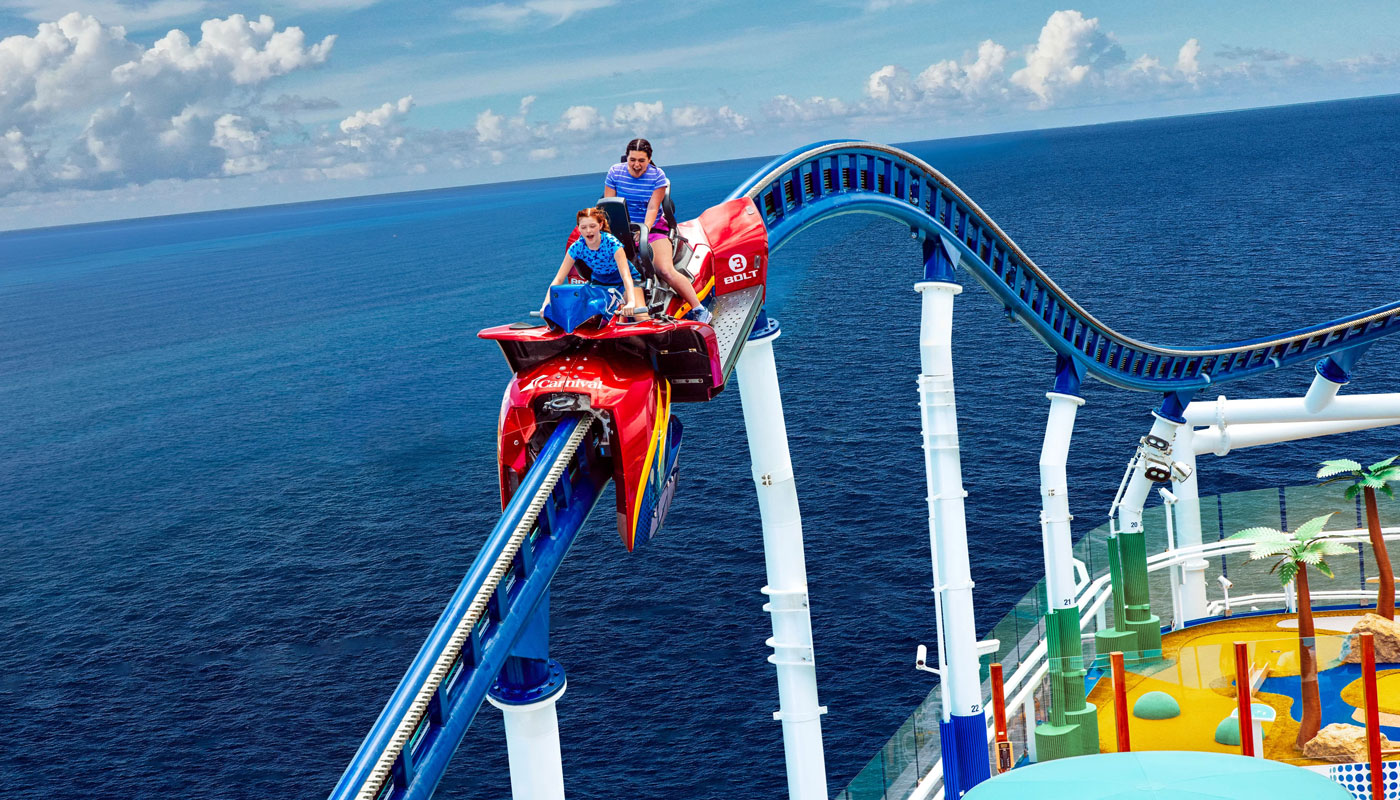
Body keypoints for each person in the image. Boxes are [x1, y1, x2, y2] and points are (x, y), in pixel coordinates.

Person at [603, 138, 711, 324]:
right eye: (632, 160)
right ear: (626, 158)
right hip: (622, 227)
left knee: (664, 269)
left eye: (641, 161)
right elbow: (608, 205)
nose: (636, 165)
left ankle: (699, 309)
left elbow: (653, 208)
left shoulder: (657, 176)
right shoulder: (615, 172)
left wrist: (643, 230)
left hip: (651, 227)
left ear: (649, 159)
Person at [546, 207, 646, 319]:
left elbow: (625, 275)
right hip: (600, 282)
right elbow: (558, 279)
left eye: (592, 226)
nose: (588, 231)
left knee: (640, 317)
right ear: (579, 228)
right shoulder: (577, 247)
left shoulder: (612, 244)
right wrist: (545, 306)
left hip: (626, 281)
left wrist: (631, 302)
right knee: (588, 316)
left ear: (600, 225)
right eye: (583, 227)